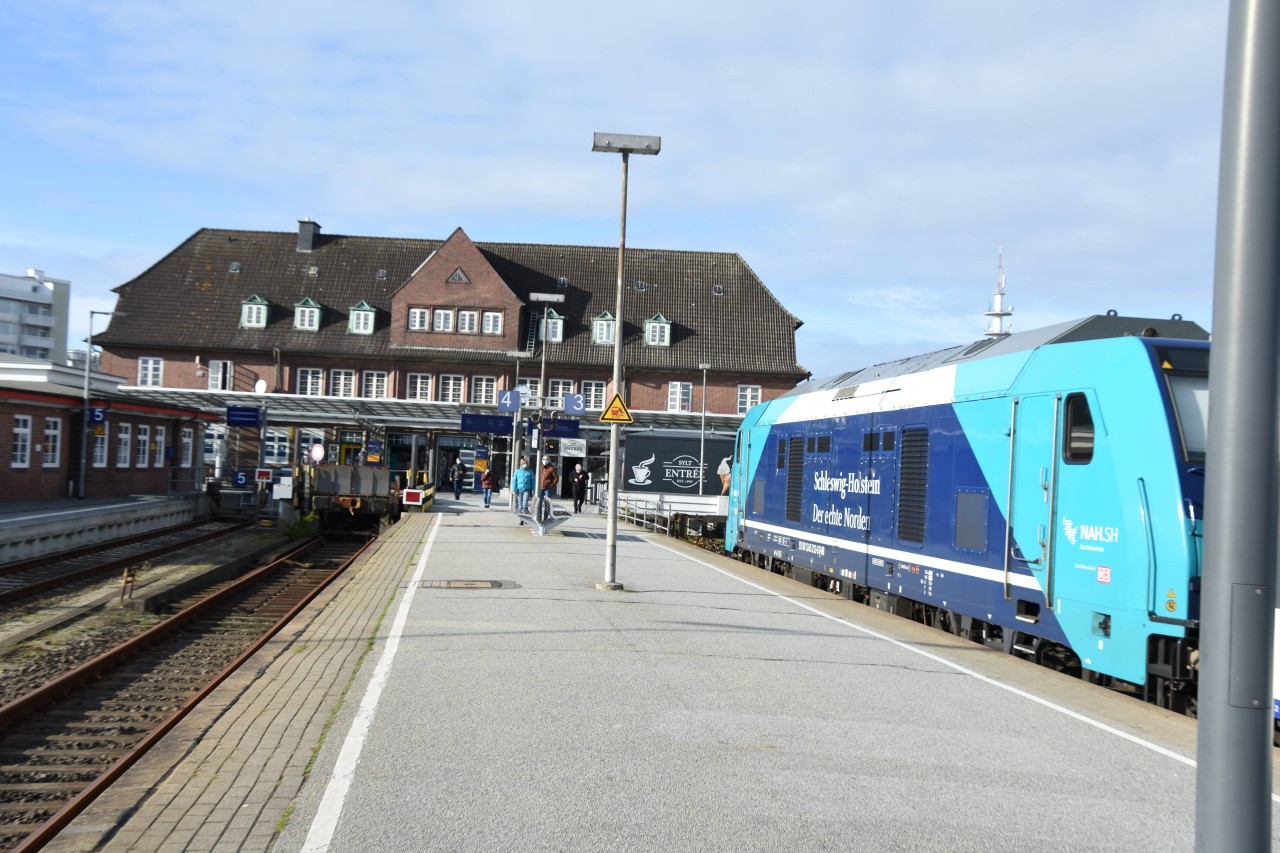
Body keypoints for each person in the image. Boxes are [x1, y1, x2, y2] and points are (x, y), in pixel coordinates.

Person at [538, 456, 559, 520]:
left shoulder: (551, 468)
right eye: (544, 459)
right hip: (540, 488)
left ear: (549, 460)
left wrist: (551, 485)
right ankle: (539, 515)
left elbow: (556, 478)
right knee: (539, 502)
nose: (545, 460)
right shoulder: (540, 467)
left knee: (547, 503)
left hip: (548, 488)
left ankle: (545, 517)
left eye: (546, 459)